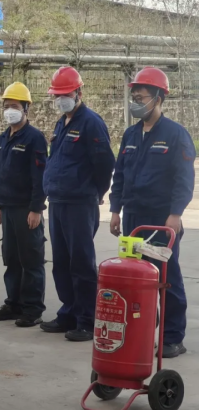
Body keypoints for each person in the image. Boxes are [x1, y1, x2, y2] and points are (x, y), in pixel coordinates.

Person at [109, 67, 195, 358]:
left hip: (161, 220)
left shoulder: (175, 134)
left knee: (165, 277)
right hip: (133, 218)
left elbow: (184, 179)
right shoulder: (131, 134)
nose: (136, 102)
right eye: (134, 97)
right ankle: (142, 332)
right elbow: (120, 175)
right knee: (135, 277)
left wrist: (175, 214)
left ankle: (172, 337)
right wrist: (115, 210)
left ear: (158, 98)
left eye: (141, 97)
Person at [41, 67, 116, 341]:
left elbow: (104, 163)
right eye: (57, 95)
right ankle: (69, 312)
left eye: (66, 94)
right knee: (61, 262)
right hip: (58, 201)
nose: (61, 99)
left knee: (81, 262)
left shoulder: (91, 122)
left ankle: (87, 319)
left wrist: (96, 192)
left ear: (79, 93)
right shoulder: (62, 123)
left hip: (80, 203)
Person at [0, 82, 47, 327]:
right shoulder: (4, 137)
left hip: (26, 209)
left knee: (30, 260)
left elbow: (39, 177)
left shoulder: (34, 138)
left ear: (26, 108)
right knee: (11, 259)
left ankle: (32, 309)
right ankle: (13, 304)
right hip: (7, 206)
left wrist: (36, 208)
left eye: (14, 106)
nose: (9, 110)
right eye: (6, 106)